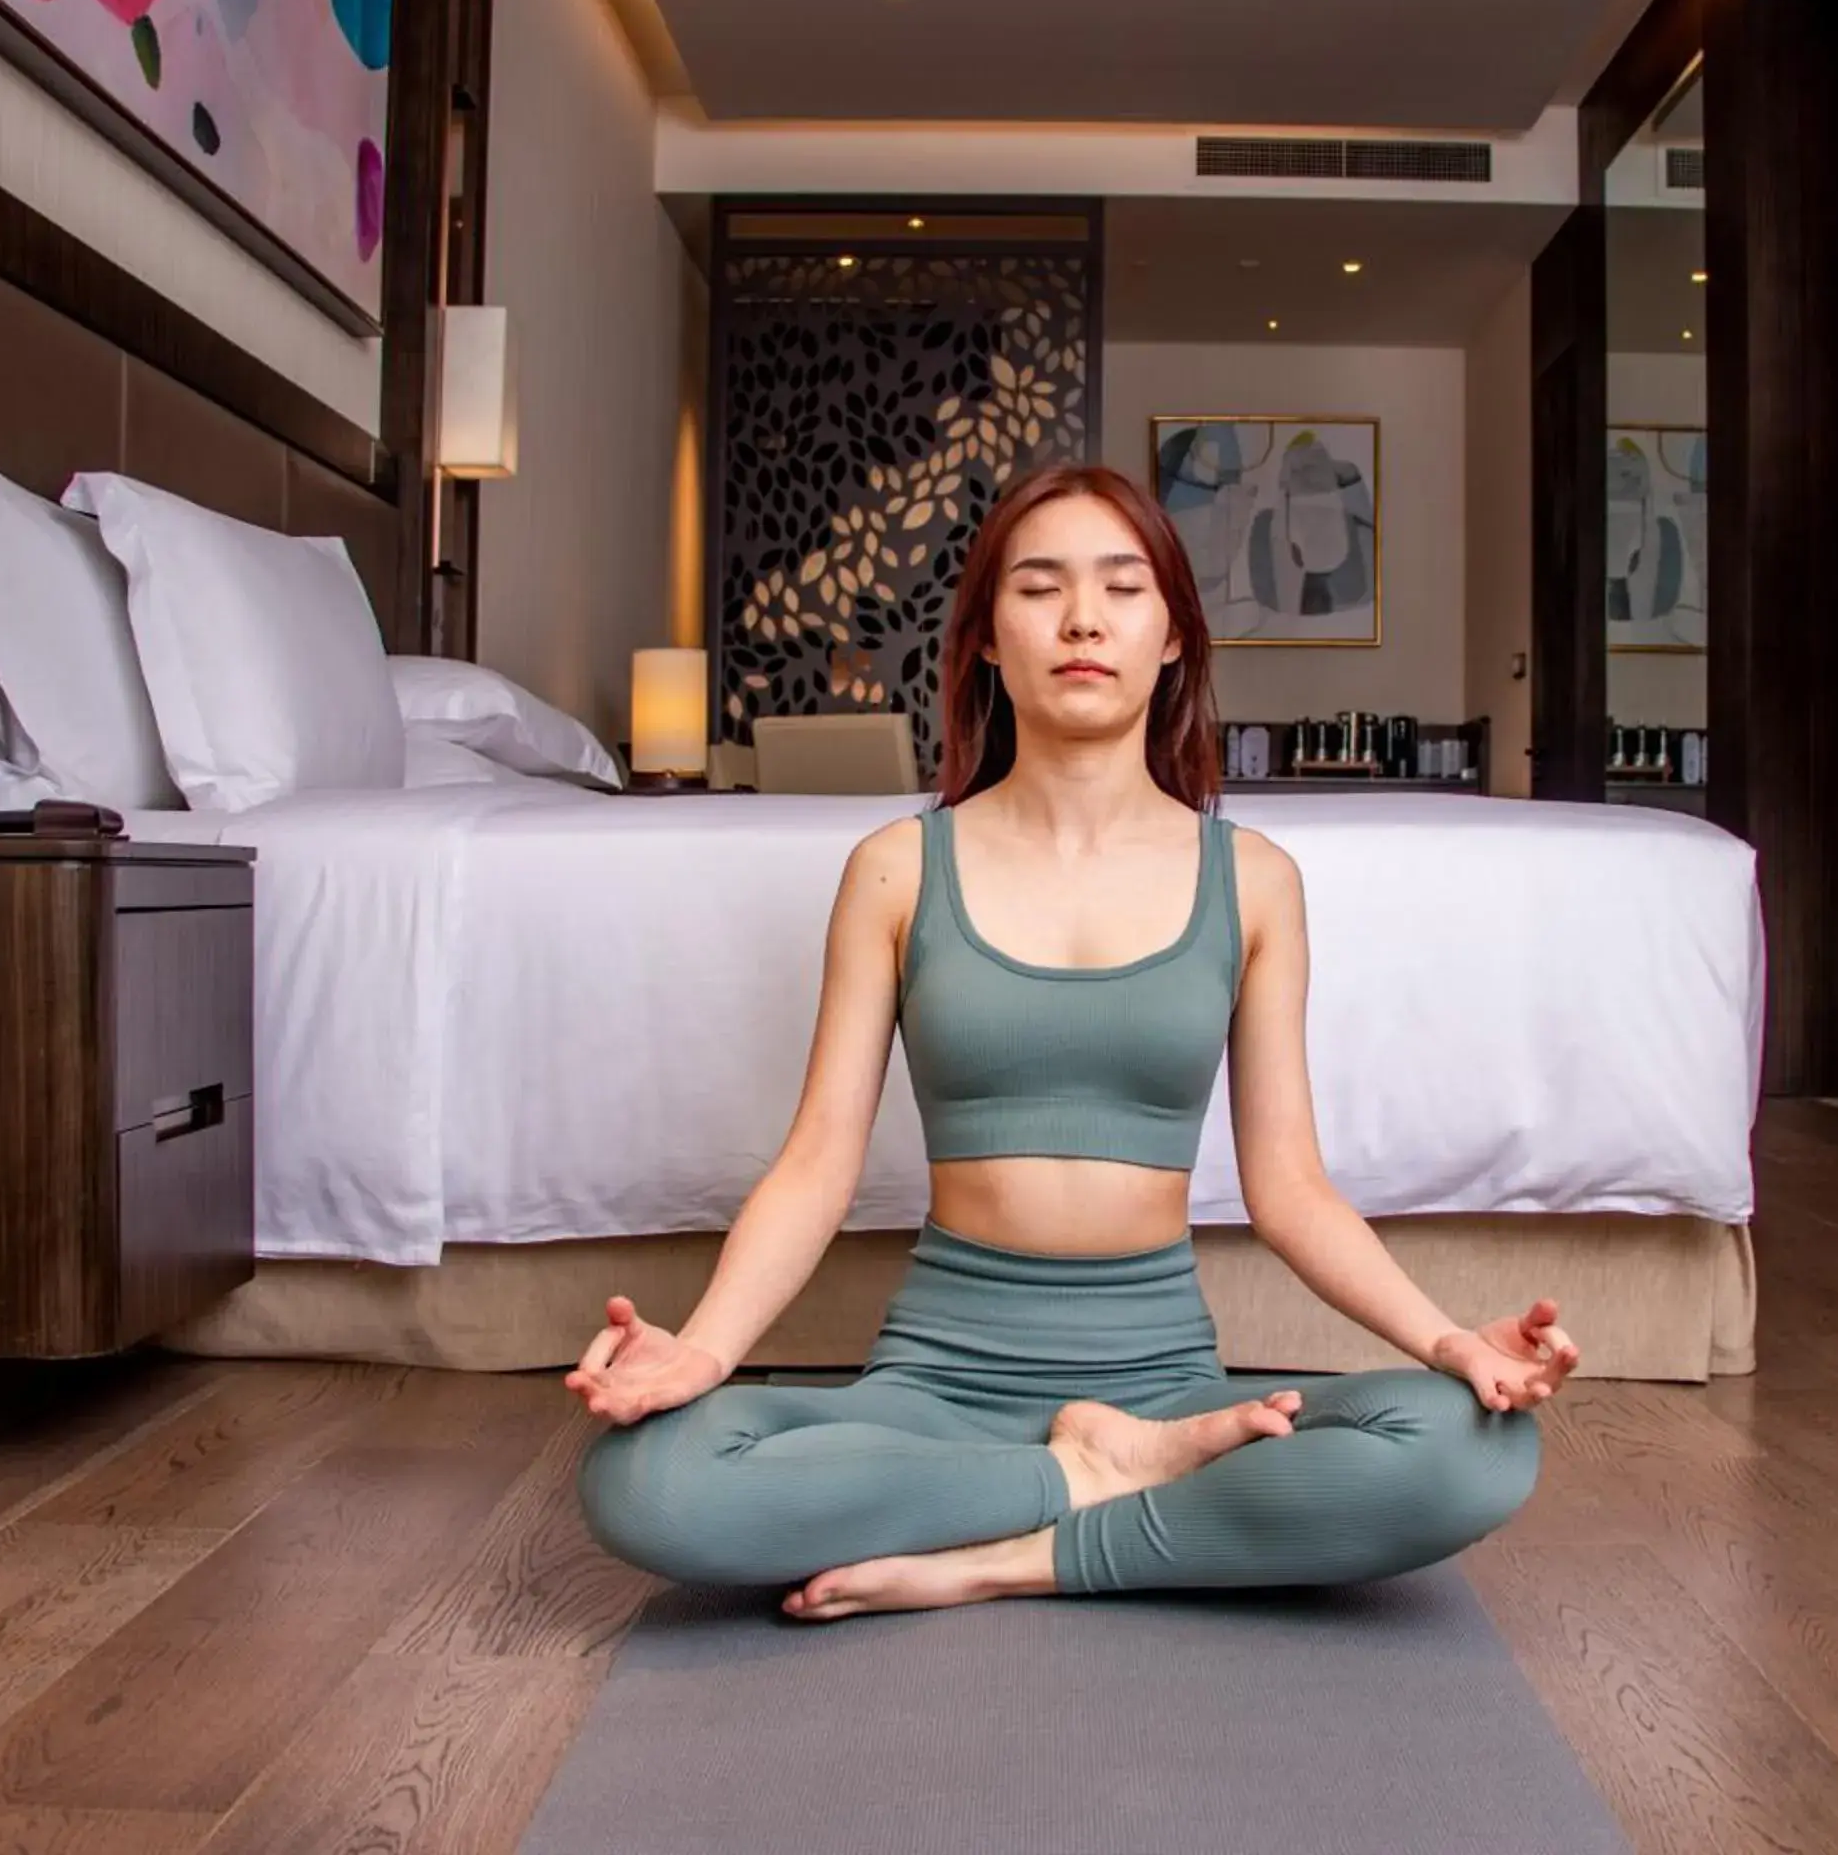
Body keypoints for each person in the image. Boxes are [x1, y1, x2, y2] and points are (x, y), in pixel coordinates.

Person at [569, 462, 1575, 1622]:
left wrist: (1453, 1343)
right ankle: (1079, 1481)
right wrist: (701, 1350)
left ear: (1174, 639)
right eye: (1040, 587)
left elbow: (1291, 1187)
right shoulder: (898, 867)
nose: (1083, 619)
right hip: (940, 1377)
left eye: (1122, 587)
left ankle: (1009, 1551)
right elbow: (817, 1162)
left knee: (1479, 1446)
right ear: (990, 638)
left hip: (1159, 1383)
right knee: (642, 1479)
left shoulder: (1251, 880)